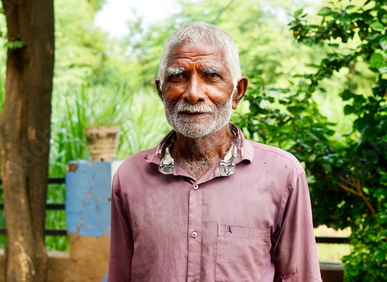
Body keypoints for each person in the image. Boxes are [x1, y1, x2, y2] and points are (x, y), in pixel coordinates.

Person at [108, 21, 322, 281]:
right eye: (178, 77)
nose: (193, 93)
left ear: (237, 92)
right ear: (161, 91)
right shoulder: (130, 176)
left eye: (211, 76)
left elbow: (299, 276)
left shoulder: (282, 174)